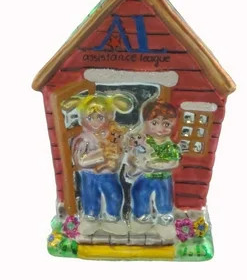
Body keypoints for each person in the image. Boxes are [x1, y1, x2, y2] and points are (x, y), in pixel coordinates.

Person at [61, 93, 133, 235]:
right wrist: (101, 155)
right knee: (90, 196)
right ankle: (91, 218)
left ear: (109, 116)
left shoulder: (113, 136)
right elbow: (81, 161)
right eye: (90, 118)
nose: (95, 122)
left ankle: (112, 218)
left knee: (114, 195)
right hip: (89, 176)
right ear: (83, 119)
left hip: (109, 175)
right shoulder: (83, 139)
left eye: (100, 117)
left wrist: (116, 160)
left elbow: (119, 153)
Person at [128, 100, 181, 226]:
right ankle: (141, 213)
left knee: (164, 194)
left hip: (163, 176)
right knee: (138, 191)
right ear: (145, 122)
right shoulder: (143, 141)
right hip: (146, 175)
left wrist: (158, 166)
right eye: (154, 123)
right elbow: (135, 156)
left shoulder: (169, 145)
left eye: (166, 124)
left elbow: (174, 162)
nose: (160, 129)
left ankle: (164, 213)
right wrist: (135, 162)